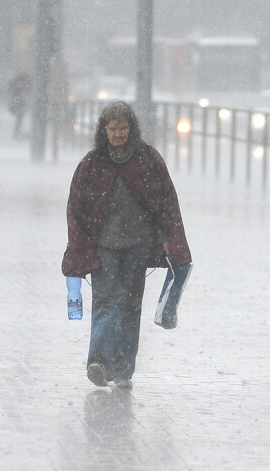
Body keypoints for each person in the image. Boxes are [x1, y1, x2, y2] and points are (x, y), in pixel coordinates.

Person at [62, 101, 191, 388]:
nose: (118, 134)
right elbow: (78, 206)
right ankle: (98, 363)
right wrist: (81, 244)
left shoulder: (148, 159)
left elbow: (165, 201)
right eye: (113, 129)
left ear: (131, 128)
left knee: (130, 306)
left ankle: (122, 370)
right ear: (103, 131)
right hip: (104, 245)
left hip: (138, 245)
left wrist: (168, 238)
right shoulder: (93, 163)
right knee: (105, 302)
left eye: (122, 128)